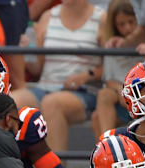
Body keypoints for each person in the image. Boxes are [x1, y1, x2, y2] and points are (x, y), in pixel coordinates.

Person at [10, 0, 105, 152]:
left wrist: (87, 75)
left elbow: (112, 64)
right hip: (44, 87)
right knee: (9, 102)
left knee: (52, 104)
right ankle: (12, 167)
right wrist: (23, 52)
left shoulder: (102, 18)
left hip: (84, 91)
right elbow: (37, 69)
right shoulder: (48, 16)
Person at [91, 0, 142, 139]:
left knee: (97, 117)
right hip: (121, 99)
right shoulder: (112, 45)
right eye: (122, 24)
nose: (128, 28)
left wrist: (129, 94)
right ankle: (108, 149)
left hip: (143, 99)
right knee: (104, 95)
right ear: (114, 26)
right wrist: (122, 91)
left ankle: (108, 152)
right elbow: (109, 80)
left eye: (131, 22)